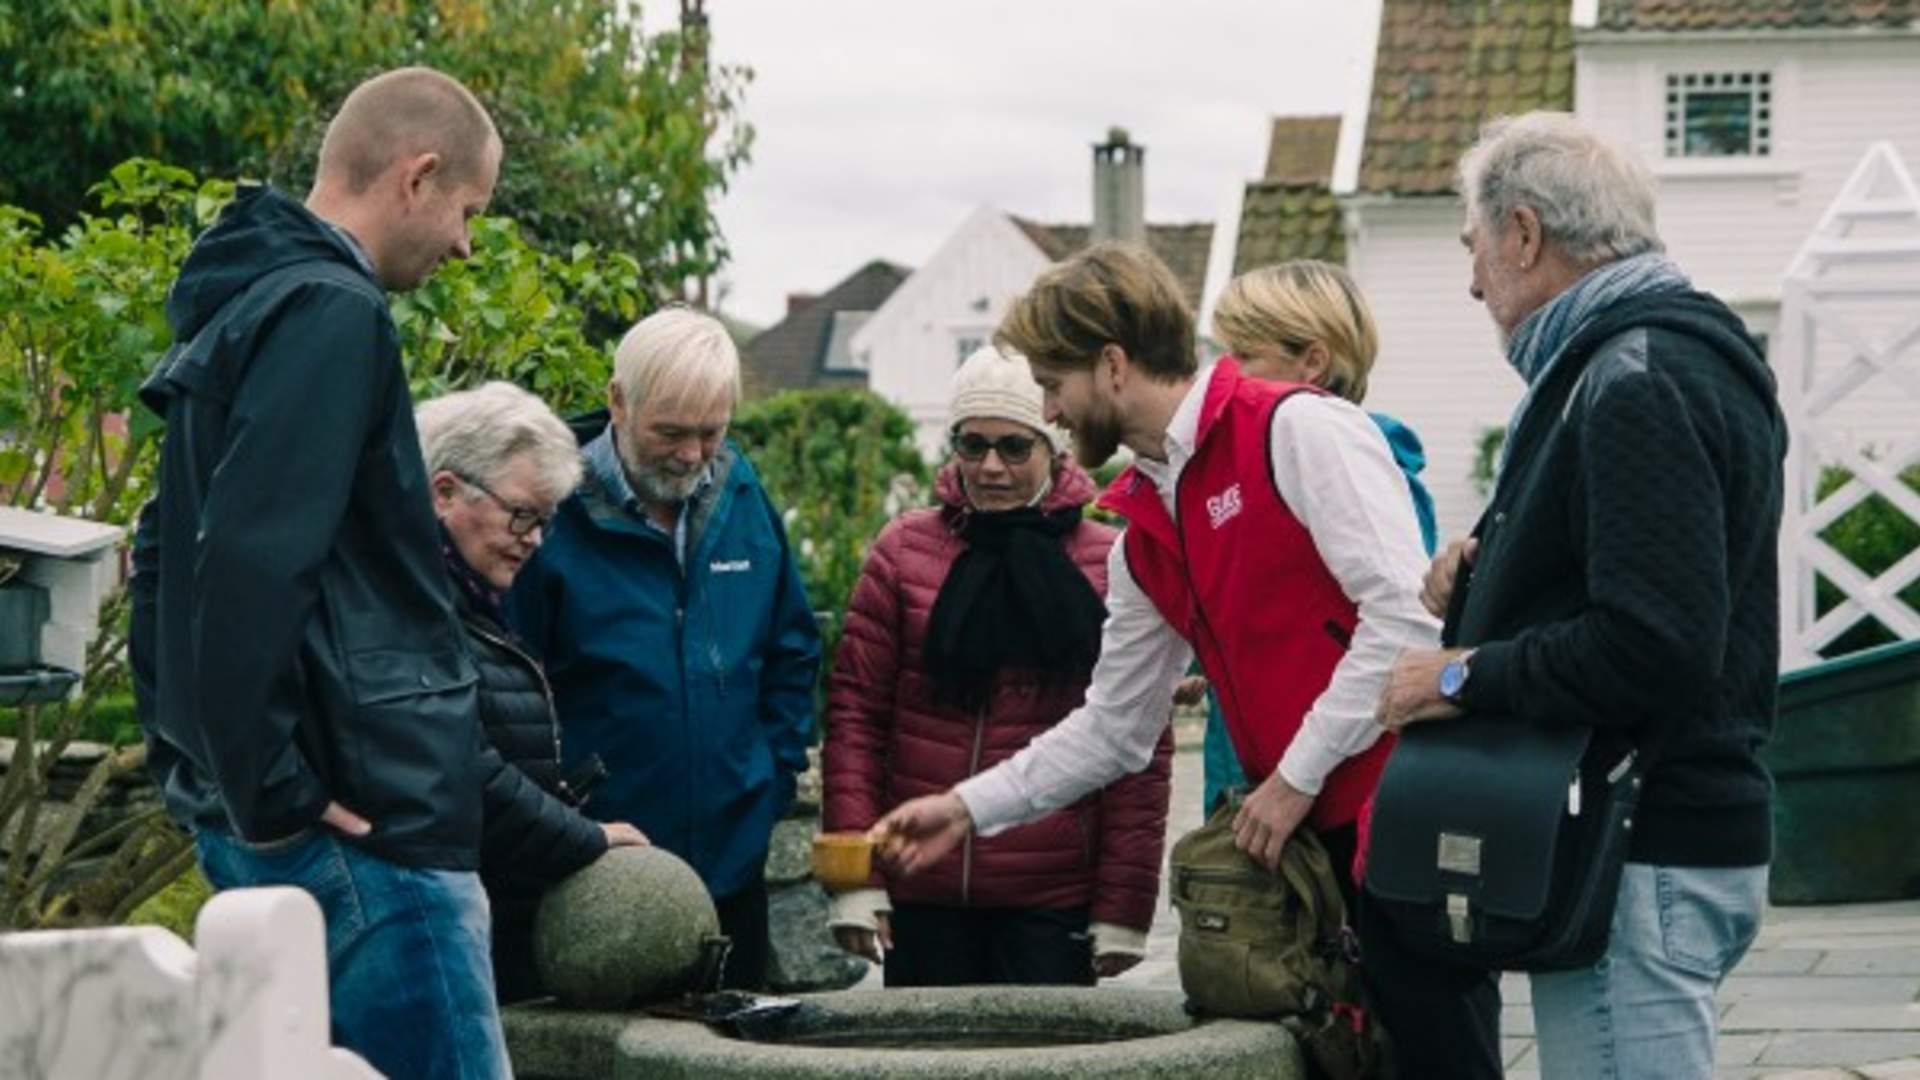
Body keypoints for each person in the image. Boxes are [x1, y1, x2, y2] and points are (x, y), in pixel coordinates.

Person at [1371, 111, 1786, 1079]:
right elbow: (1661, 578)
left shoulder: (1630, 376)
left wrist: (1464, 675)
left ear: (1523, 234)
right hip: (1671, 835)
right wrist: (1490, 572)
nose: (1473, 283)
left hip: (1641, 845)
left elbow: (1657, 644)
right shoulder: (1666, 359)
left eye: (1475, 249)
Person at [130, 68, 514, 1078]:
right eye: (468, 211)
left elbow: (166, 552)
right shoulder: (330, 312)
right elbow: (250, 564)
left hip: (284, 807)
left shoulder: (243, 300)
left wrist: (207, 767)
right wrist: (274, 787)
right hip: (364, 826)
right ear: (418, 175)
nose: (466, 244)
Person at [873, 243, 1440, 923]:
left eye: (1054, 383)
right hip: (1303, 850)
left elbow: (1406, 620)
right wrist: (965, 808)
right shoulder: (1141, 534)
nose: (1049, 411)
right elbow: (1115, 729)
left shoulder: (1298, 428)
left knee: (1433, 1034)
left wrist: (1295, 776)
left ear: (1112, 365)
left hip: (1400, 818)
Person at [822, 345, 1173, 986]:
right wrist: (853, 878)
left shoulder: (1108, 560)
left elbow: (1138, 745)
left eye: (1014, 447)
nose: (990, 466)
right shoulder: (904, 551)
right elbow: (856, 718)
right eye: (972, 444)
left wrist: (1123, 908)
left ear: (1053, 446)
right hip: (920, 883)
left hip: (1051, 895)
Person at [507, 307, 821, 991]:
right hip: (596, 877)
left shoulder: (741, 493)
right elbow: (507, 682)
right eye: (670, 432)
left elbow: (791, 646)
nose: (691, 455)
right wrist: (562, 816)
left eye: (711, 432)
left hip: (731, 871)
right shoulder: (549, 514)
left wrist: (769, 777)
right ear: (618, 402)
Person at [416, 381, 650, 1004]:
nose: (535, 539)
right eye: (522, 515)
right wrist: (587, 839)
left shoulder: (467, 601)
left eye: (544, 521)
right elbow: (466, 767)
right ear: (445, 492)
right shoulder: (415, 613)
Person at [1197, 260, 1440, 814]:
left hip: (1326, 790)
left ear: (1312, 361)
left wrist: (1297, 776)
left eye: (1245, 358)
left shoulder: (1372, 476)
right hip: (1258, 776)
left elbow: (1402, 618)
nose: (1223, 378)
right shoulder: (1256, 468)